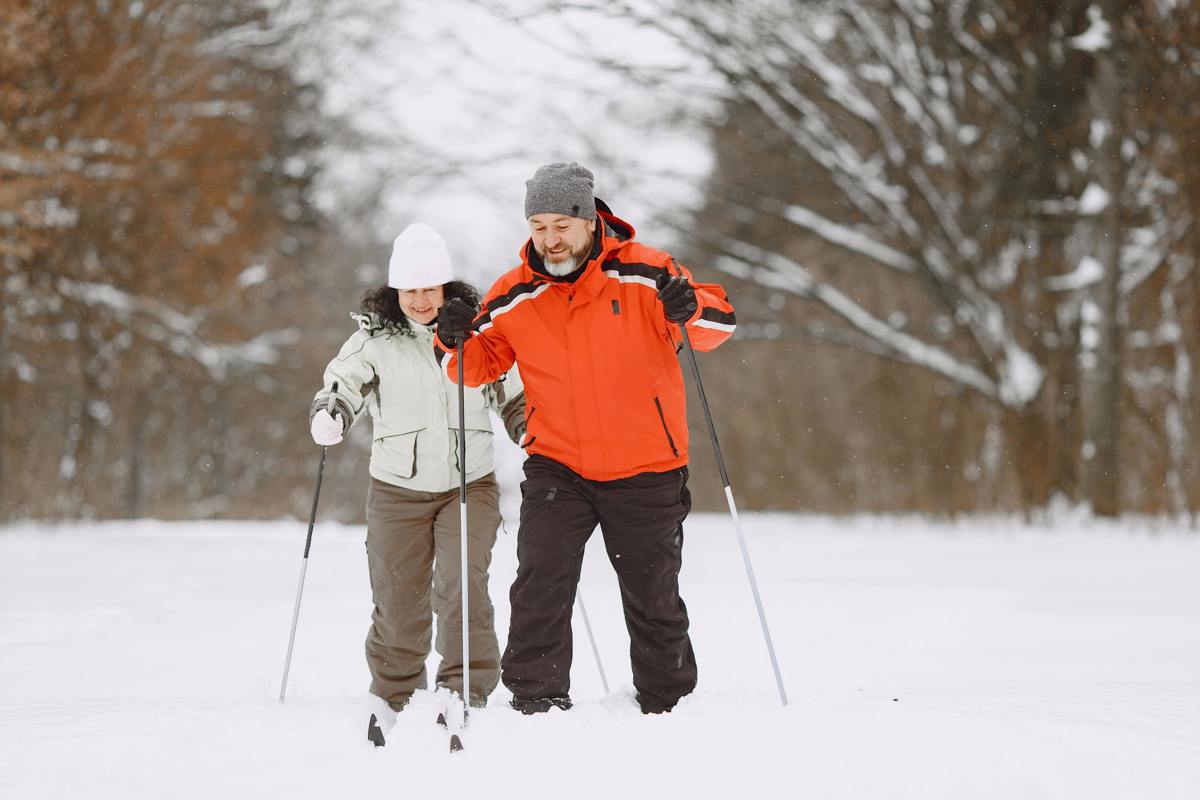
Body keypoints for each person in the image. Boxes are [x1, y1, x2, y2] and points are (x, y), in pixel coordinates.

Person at [434, 162, 736, 715]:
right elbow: (472, 367)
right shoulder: (512, 295)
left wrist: (689, 307)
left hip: (646, 464)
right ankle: (536, 701)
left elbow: (717, 325)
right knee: (540, 582)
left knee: (653, 596)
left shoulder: (647, 273)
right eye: (538, 226)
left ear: (589, 220)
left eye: (561, 225)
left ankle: (668, 704)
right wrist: (449, 335)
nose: (549, 240)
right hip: (558, 465)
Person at [309, 222, 525, 712]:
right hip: (395, 492)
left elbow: (511, 391)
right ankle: (394, 693)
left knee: (461, 584)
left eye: (429, 288)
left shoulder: (476, 335)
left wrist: (527, 426)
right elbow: (343, 382)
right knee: (397, 595)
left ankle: (466, 687)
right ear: (395, 291)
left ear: (446, 286)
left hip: (467, 486)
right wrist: (331, 413)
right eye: (410, 290)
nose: (421, 300)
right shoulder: (375, 340)